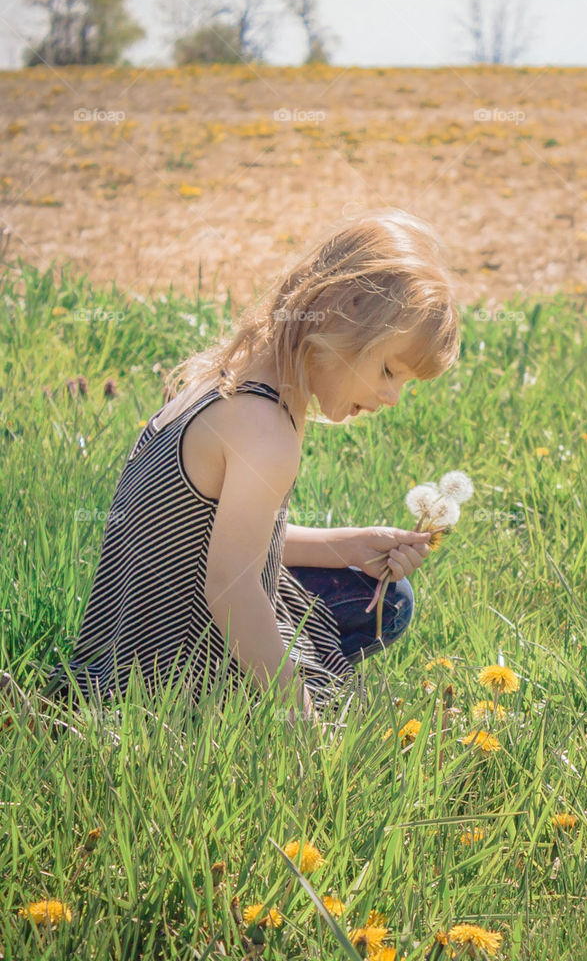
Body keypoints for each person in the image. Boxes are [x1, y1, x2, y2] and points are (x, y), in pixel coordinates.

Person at [44, 207, 460, 727]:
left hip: (124, 645)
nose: (393, 397)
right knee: (386, 608)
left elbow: (201, 537)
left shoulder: (228, 379)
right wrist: (302, 721)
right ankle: (227, 715)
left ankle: (93, 708)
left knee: (385, 592)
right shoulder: (267, 433)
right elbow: (232, 586)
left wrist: (347, 546)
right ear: (338, 320)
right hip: (169, 679)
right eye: (387, 370)